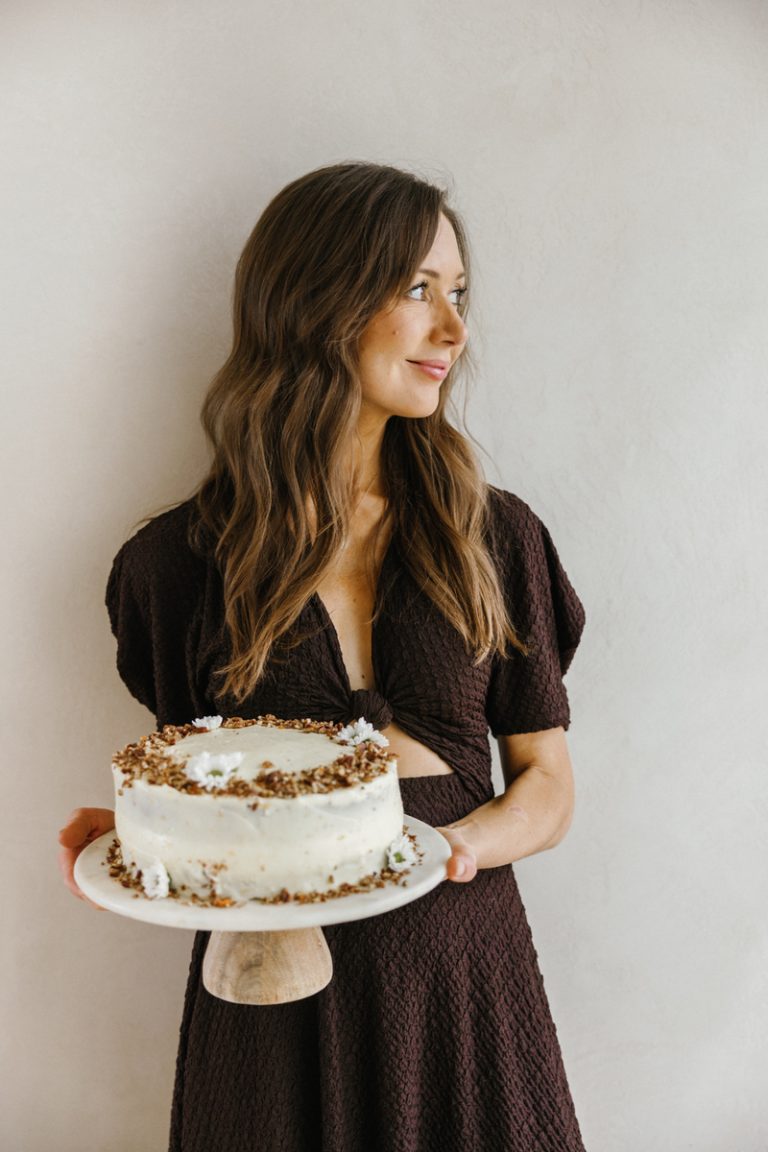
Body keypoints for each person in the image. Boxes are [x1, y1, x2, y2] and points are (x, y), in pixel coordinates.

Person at [59, 162, 587, 1152]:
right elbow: (200, 785)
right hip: (270, 997)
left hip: (459, 989)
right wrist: (143, 838)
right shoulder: (174, 565)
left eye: (459, 293)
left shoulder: (494, 537)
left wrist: (456, 851)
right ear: (319, 300)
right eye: (418, 289)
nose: (453, 332)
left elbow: (548, 786)